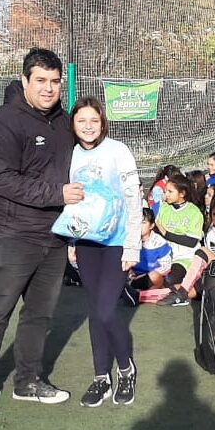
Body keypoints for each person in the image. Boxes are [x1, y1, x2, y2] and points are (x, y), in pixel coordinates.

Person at [0, 48, 80, 425]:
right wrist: (57, 195)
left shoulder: (64, 122)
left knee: (40, 315)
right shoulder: (3, 124)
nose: (48, 89)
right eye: (40, 81)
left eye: (55, 81)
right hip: (9, 233)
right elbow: (3, 181)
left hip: (53, 235)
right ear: (25, 81)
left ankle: (28, 381)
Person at [66, 97, 143, 407]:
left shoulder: (118, 151)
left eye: (94, 121)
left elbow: (133, 199)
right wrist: (72, 242)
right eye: (81, 120)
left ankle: (125, 368)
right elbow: (71, 201)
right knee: (95, 309)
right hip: (86, 243)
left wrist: (132, 245)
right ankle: (101, 377)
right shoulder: (69, 154)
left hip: (115, 243)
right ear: (73, 124)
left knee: (107, 309)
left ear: (102, 123)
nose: (88, 126)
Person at [153, 173, 203, 306]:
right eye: (165, 191)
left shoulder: (194, 212)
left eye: (170, 191)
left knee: (169, 280)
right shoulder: (163, 208)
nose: (166, 195)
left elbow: (191, 242)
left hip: (184, 258)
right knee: (145, 281)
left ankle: (181, 293)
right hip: (164, 256)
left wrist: (166, 233)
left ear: (182, 193)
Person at [124, 207, 172, 303]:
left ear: (151, 225)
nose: (139, 226)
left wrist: (150, 273)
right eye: (137, 222)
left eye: (143, 223)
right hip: (132, 277)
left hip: (152, 277)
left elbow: (166, 266)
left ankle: (140, 297)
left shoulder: (159, 242)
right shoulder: (129, 239)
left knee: (156, 277)